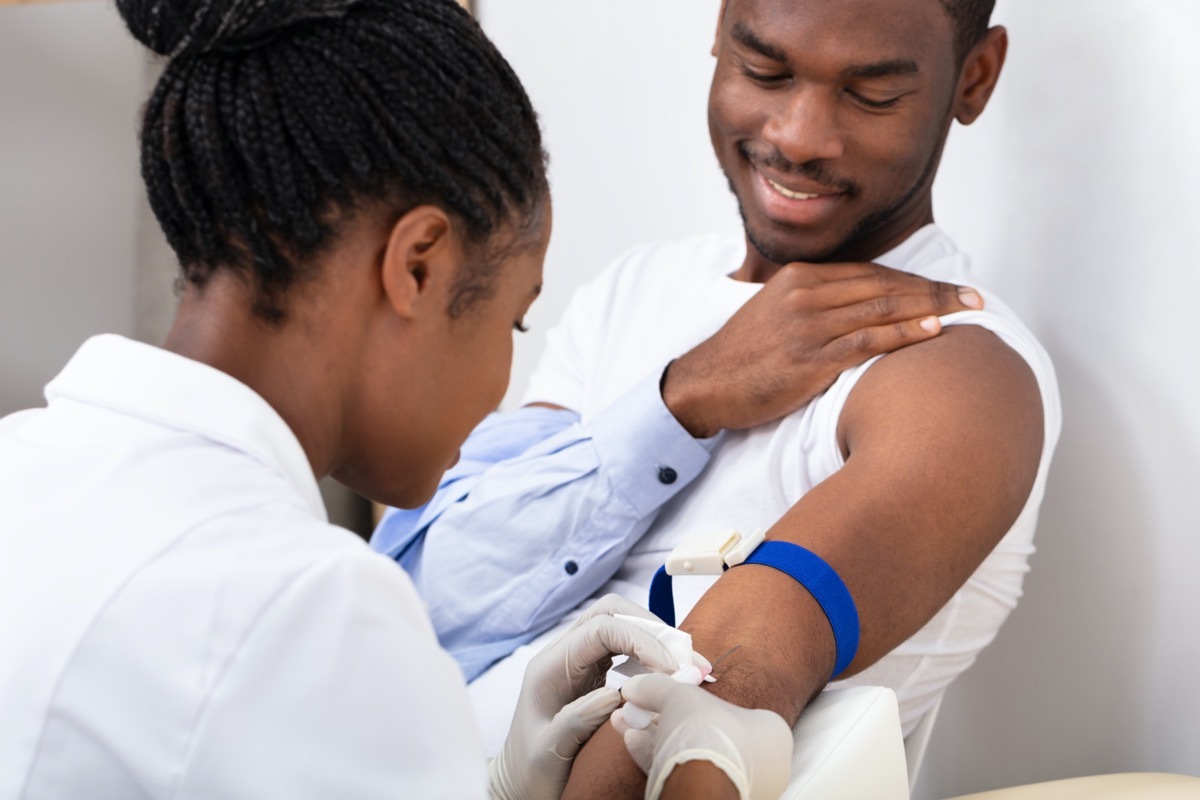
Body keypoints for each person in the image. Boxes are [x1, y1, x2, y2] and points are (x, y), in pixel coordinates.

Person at [0, 0, 795, 798]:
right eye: (513, 320)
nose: (499, 391)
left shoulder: (24, 468)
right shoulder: (312, 610)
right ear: (417, 265)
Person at [373, 0, 1063, 796]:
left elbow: (705, 704)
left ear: (971, 80)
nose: (800, 136)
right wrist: (684, 398)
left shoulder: (956, 366)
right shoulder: (632, 291)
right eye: (764, 70)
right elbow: (423, 599)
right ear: (719, 33)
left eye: (870, 95)